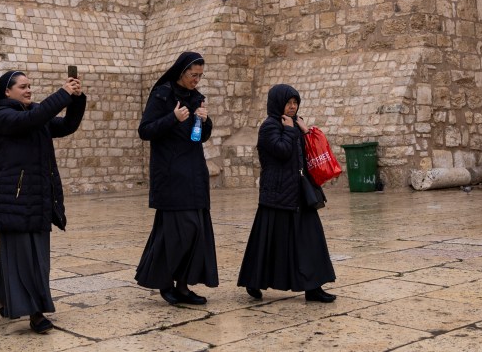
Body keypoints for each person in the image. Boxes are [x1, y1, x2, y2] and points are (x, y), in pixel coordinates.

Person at [0, 69, 86, 334]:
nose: (29, 90)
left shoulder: (36, 114)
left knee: (30, 256)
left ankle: (0, 295)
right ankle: (36, 312)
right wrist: (63, 93)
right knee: (25, 257)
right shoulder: (2, 116)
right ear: (7, 91)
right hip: (16, 198)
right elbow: (33, 119)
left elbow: (66, 125)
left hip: (39, 196)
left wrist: (75, 99)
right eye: (22, 86)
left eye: (30, 86)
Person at [237, 84, 336, 303]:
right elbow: (281, 152)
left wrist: (305, 132)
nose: (292, 107)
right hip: (277, 195)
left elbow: (306, 154)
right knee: (268, 243)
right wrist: (291, 131)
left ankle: (314, 287)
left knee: (311, 239)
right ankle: (253, 280)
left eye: (295, 103)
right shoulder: (269, 127)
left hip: (299, 193)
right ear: (277, 102)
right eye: (288, 103)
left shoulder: (294, 125)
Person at [135, 51, 218, 305]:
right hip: (171, 176)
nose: (197, 80)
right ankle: (165, 283)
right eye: (194, 75)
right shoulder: (162, 94)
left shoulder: (196, 98)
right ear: (181, 72)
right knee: (175, 233)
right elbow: (145, 130)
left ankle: (183, 286)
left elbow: (199, 137)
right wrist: (173, 118)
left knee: (195, 232)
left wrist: (206, 122)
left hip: (194, 173)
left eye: (200, 76)